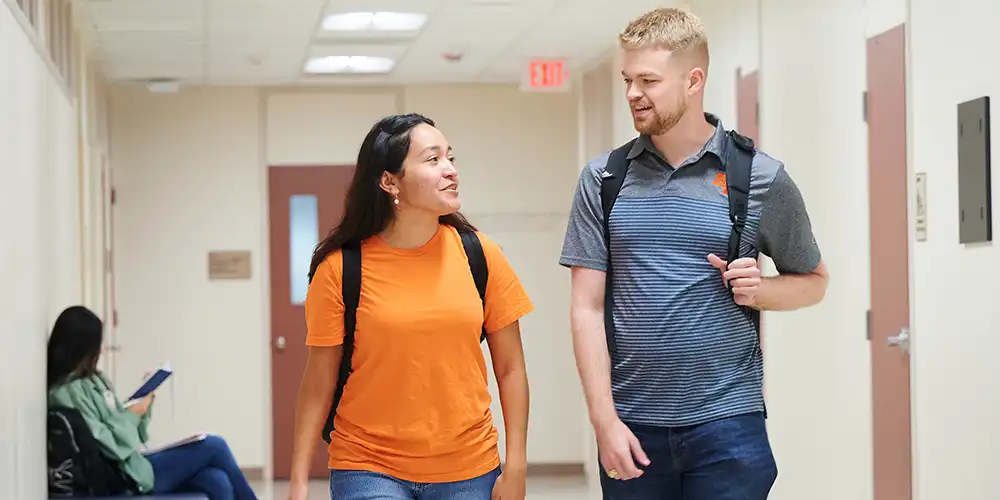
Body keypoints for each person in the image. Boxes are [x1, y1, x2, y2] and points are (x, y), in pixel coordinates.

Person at [560, 7, 829, 500]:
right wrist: (603, 421)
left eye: (648, 80)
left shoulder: (759, 177)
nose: (633, 93)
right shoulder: (603, 180)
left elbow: (814, 282)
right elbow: (586, 308)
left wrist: (762, 290)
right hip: (634, 424)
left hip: (728, 423)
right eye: (627, 80)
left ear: (693, 80)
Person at [286, 113, 534, 500]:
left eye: (450, 157)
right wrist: (299, 481)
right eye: (433, 159)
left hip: (468, 466)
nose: (450, 170)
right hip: (367, 464)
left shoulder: (480, 255)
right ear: (389, 181)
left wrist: (516, 463)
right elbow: (319, 381)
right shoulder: (341, 269)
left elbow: (511, 368)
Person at [46, 305, 258, 500]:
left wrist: (141, 402)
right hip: (124, 475)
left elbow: (118, 424)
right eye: (96, 346)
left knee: (216, 480)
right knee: (215, 446)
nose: (100, 352)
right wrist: (134, 414)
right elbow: (111, 444)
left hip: (134, 463)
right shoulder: (65, 394)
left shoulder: (93, 380)